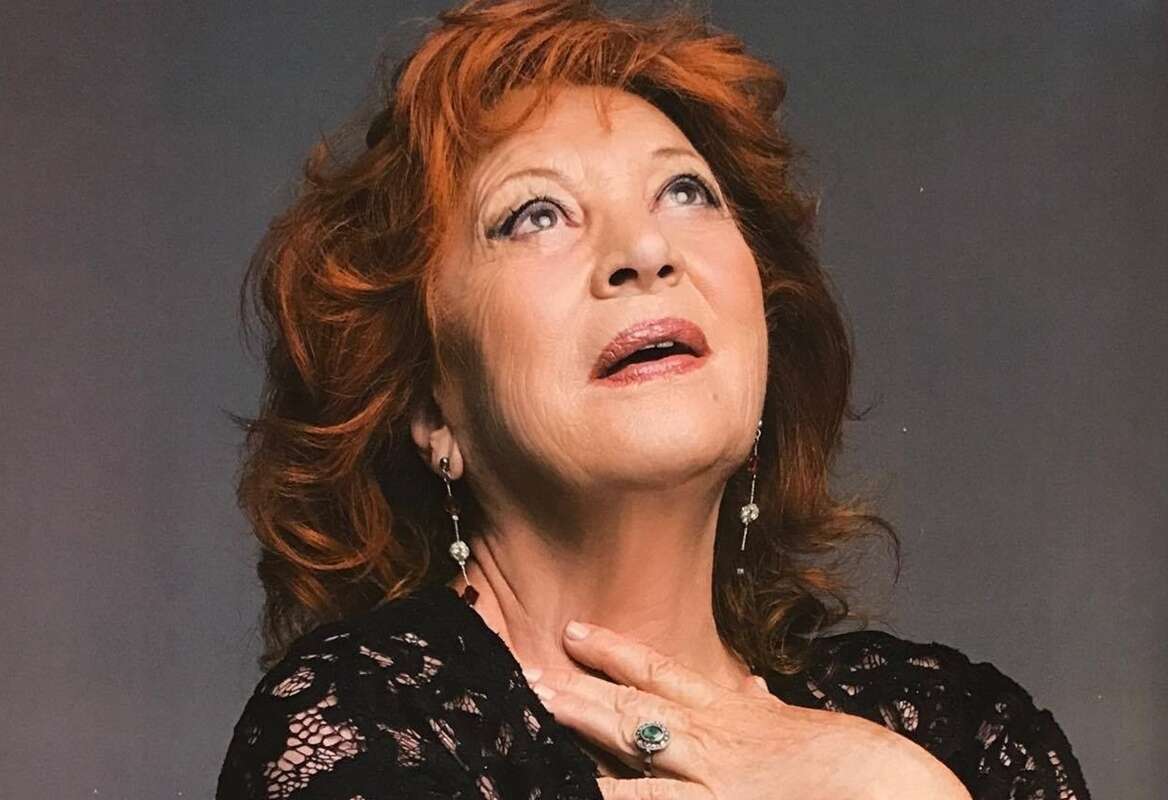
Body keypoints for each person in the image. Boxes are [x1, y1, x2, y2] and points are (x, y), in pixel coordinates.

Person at [215, 1, 1091, 797]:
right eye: (536, 214)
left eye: (684, 192)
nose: (644, 251)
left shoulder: (958, 737)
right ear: (431, 407)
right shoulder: (363, 727)